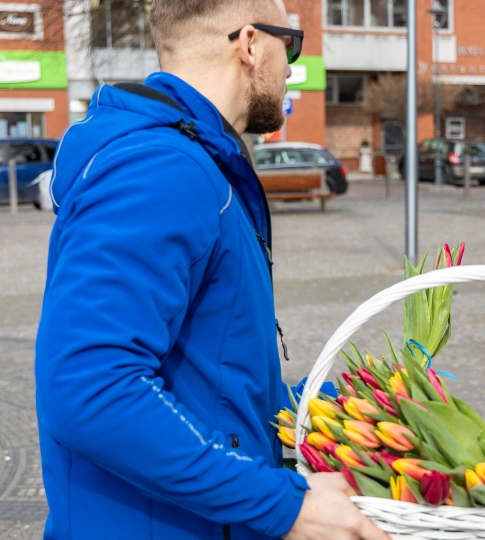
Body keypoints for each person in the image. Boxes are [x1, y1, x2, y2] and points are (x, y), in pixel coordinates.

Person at [34, 1, 388, 539]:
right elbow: (91, 388)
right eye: (288, 44)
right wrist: (282, 506)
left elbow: (210, 366)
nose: (291, 65)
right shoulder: (164, 168)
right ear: (249, 44)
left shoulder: (197, 160)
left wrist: (337, 415)